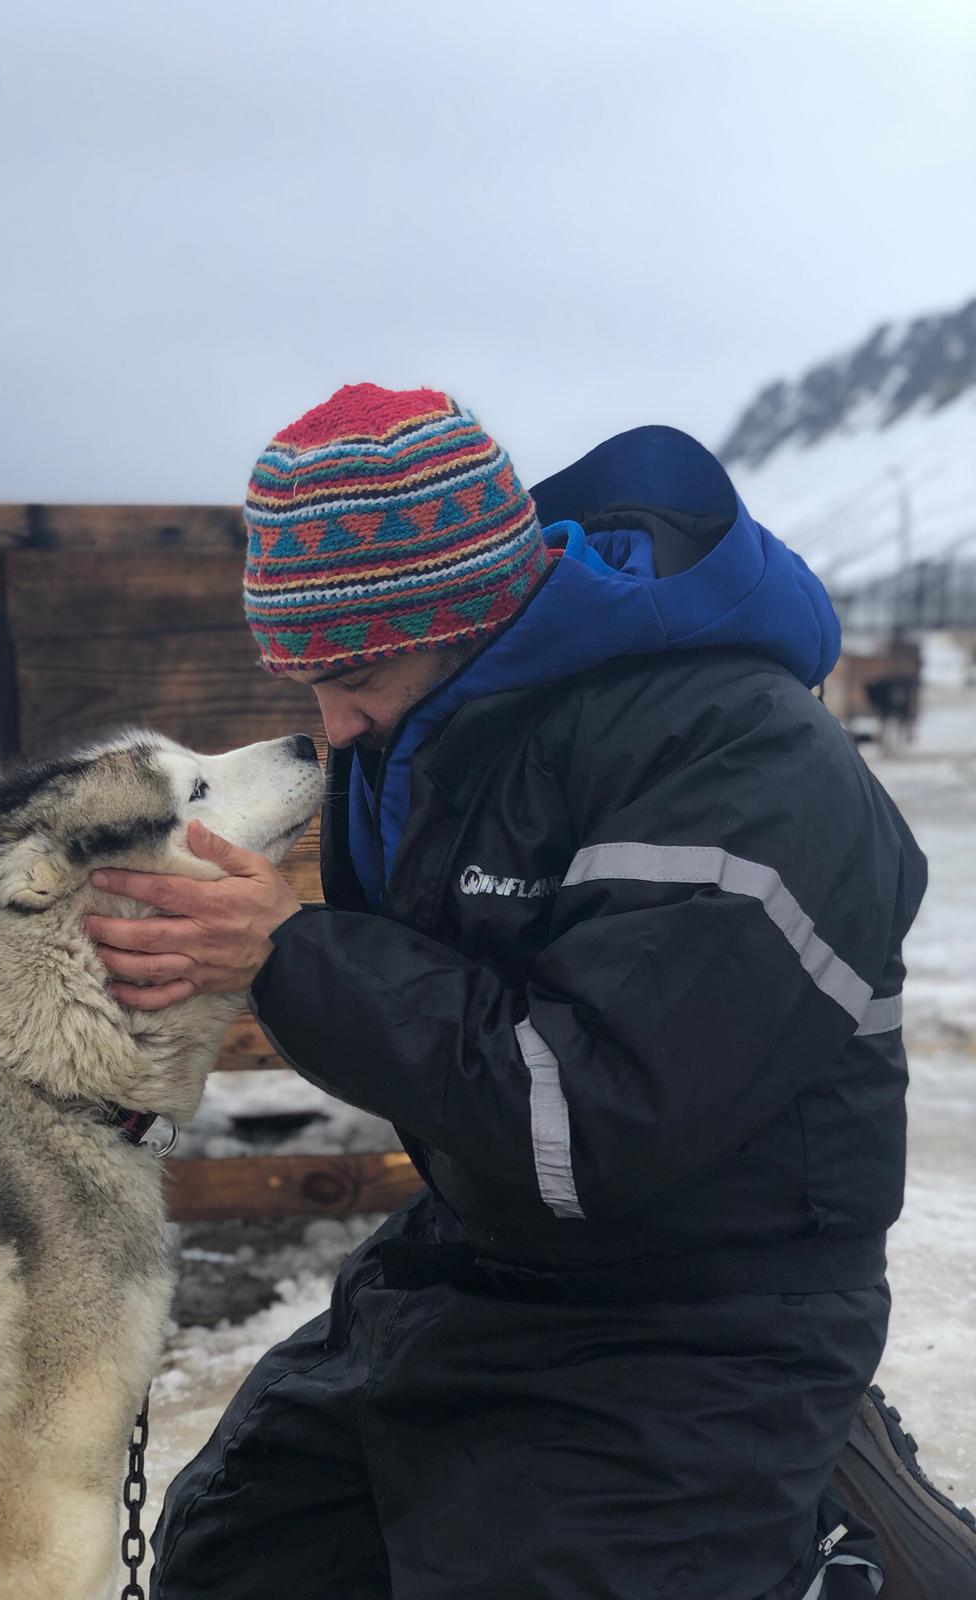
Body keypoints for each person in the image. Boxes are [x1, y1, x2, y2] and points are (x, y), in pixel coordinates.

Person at [84, 385, 976, 1599]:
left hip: (711, 1300)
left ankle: (837, 1538)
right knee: (238, 1552)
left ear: (472, 608)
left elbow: (599, 1120)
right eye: (300, 676)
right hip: (483, 1256)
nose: (331, 725)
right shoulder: (435, 720)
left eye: (350, 669)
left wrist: (286, 951)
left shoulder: (741, 757)